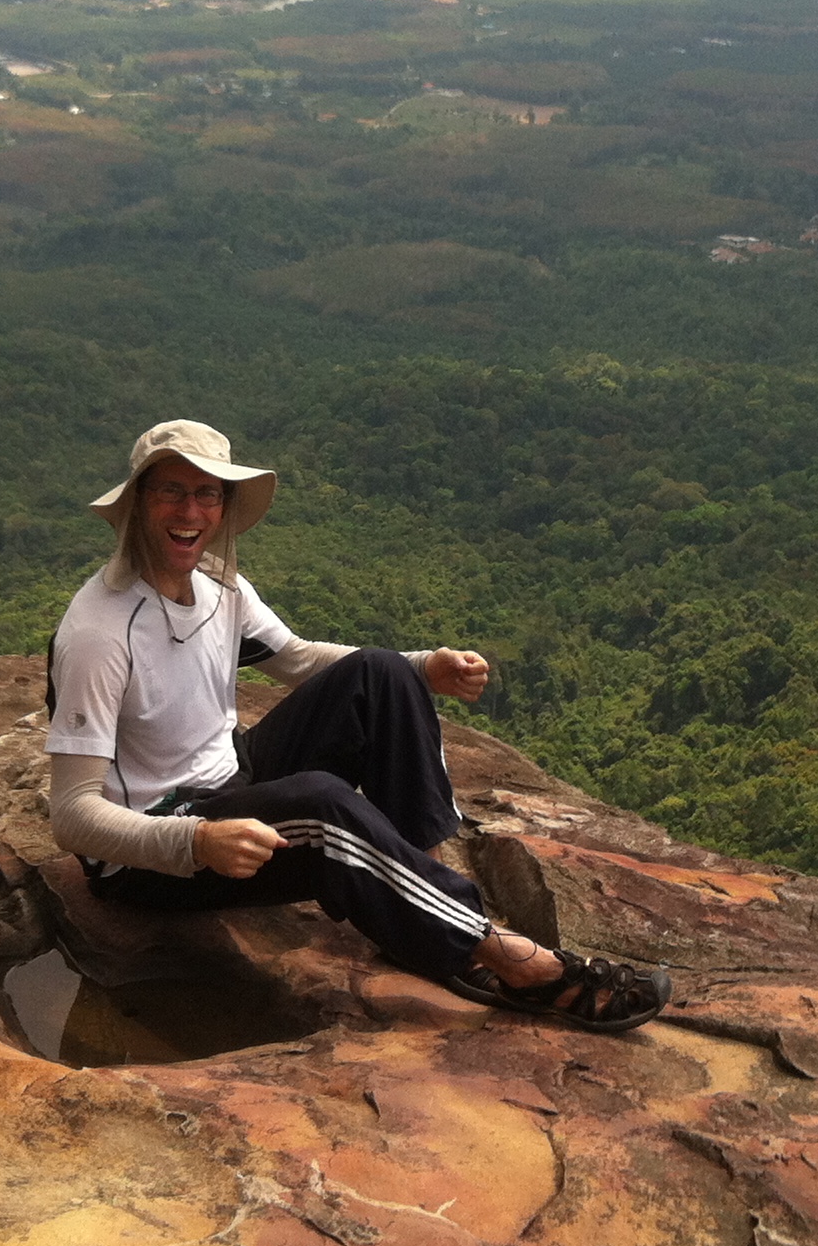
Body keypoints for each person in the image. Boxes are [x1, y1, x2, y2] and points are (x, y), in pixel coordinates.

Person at [46, 419, 671, 1033]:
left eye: (207, 492)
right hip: (156, 847)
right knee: (321, 804)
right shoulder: (100, 633)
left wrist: (423, 667)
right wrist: (198, 842)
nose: (191, 510)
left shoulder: (217, 585)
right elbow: (72, 814)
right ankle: (519, 964)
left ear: (224, 505)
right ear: (137, 504)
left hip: (232, 777)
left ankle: (422, 906)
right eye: (170, 492)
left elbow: (296, 660)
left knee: (379, 673)